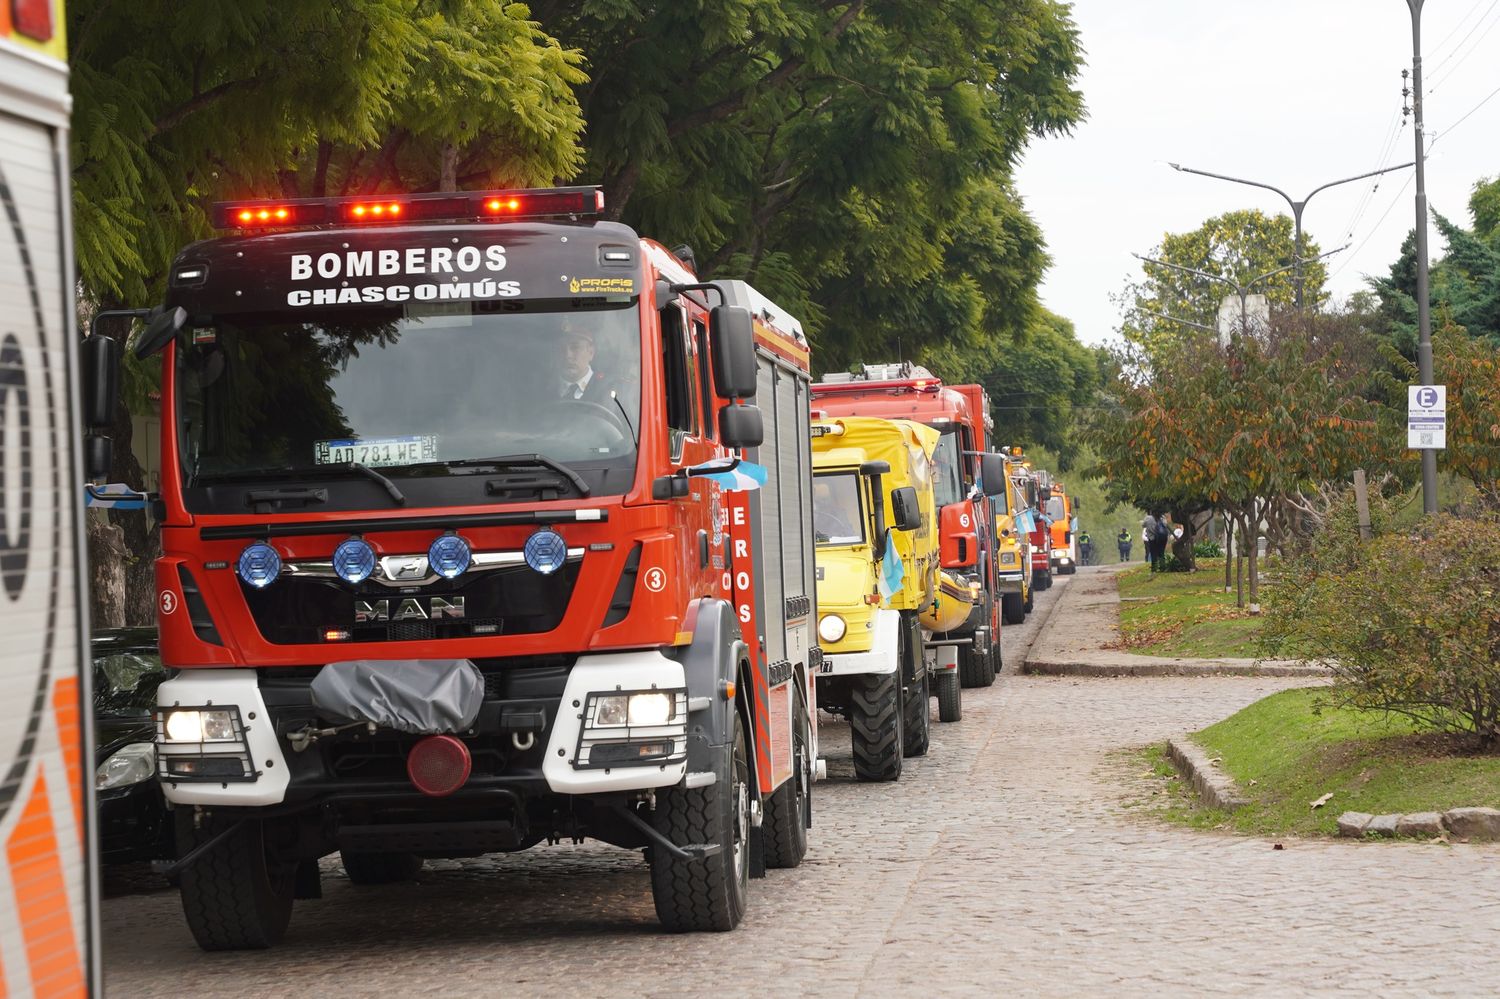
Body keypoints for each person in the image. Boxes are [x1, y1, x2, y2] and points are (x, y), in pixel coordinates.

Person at [554, 323, 615, 403]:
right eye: (561, 348)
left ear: (591, 352)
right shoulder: (539, 389)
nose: (567, 355)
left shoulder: (610, 389)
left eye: (575, 347)